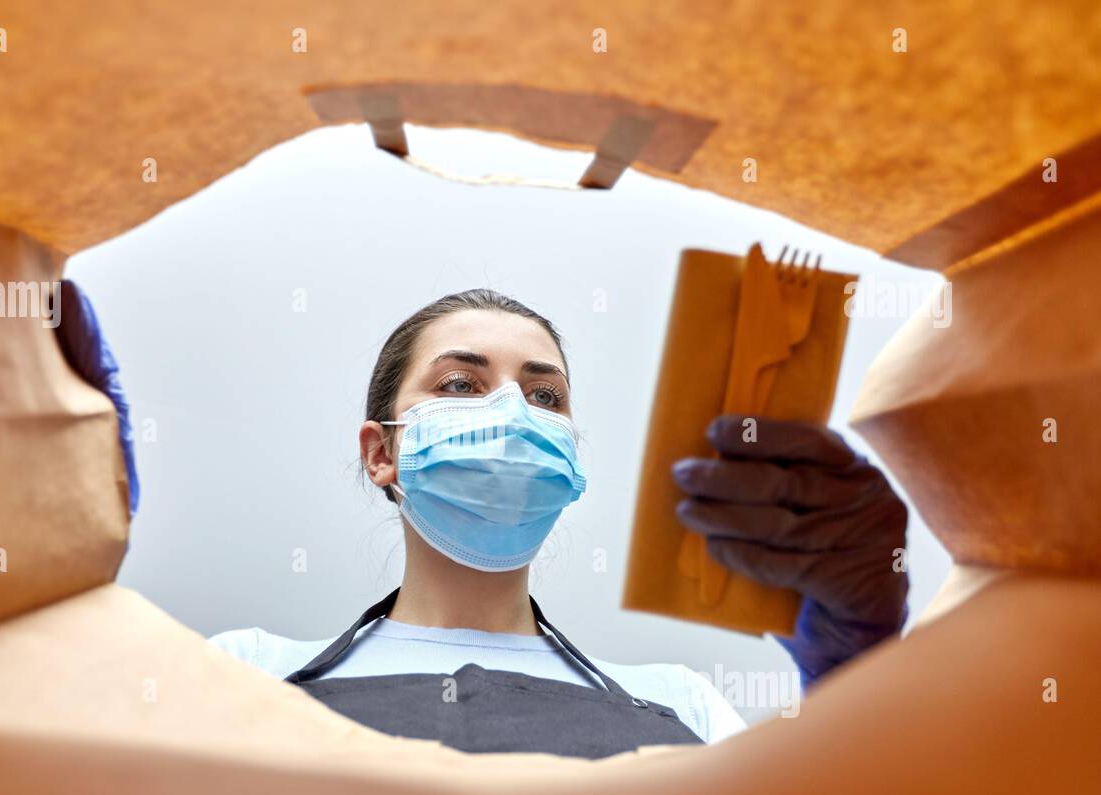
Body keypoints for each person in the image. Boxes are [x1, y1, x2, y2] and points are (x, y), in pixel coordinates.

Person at [58, 283, 909, 758]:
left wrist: (861, 672)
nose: (513, 412)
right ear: (380, 452)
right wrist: (56, 559)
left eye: (545, 396)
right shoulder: (242, 670)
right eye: (460, 384)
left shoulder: (678, 702)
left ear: (572, 459)